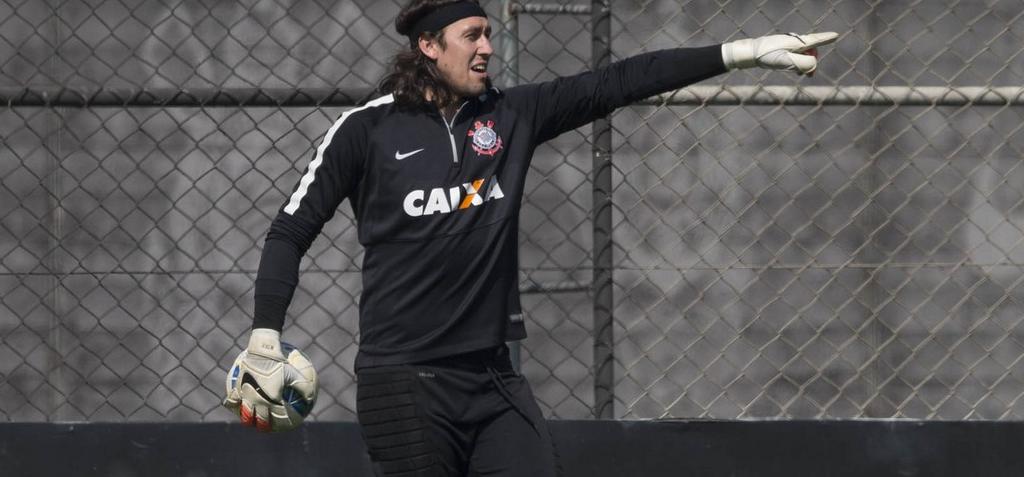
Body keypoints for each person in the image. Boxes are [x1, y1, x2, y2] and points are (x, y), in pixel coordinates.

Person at [223, 0, 838, 475]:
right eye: (473, 36)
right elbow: (290, 231)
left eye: (490, 33)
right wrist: (264, 336)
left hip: (493, 379)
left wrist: (742, 52)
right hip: (404, 383)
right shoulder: (366, 129)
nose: (489, 47)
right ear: (429, 46)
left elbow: (622, 81)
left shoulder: (510, 115)